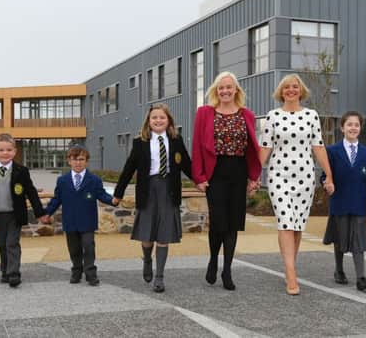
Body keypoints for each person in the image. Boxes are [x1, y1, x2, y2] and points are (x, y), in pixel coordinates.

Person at [259, 73, 334, 295]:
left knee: (297, 226)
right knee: (286, 223)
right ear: (280, 92)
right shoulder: (272, 117)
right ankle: (292, 275)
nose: (291, 90)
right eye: (286, 87)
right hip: (279, 175)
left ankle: (288, 266)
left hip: (305, 176)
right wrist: (253, 175)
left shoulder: (311, 115)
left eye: (294, 87)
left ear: (300, 91)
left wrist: (329, 175)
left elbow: (318, 147)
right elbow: (265, 147)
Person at [192, 71, 262, 291]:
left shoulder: (247, 115)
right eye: (221, 87)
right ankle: (213, 260)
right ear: (216, 90)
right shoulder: (204, 113)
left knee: (233, 224)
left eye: (229, 87)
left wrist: (253, 177)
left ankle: (227, 270)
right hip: (215, 172)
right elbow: (196, 146)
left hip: (238, 171)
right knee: (218, 222)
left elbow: (252, 147)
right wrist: (199, 177)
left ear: (236, 90)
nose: (225, 91)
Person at [114, 103, 193, 293]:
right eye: (154, 118)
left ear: (169, 121)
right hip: (148, 190)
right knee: (147, 235)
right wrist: (118, 192)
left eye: (162, 117)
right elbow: (129, 168)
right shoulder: (140, 142)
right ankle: (147, 259)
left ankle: (159, 276)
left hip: (168, 190)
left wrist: (201, 181)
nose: (158, 120)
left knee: (164, 235)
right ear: (149, 122)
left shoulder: (176, 140)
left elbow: (187, 165)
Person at [41, 145, 118, 286]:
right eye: (74, 159)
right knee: (74, 248)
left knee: (88, 246)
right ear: (69, 161)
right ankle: (76, 270)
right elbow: (57, 199)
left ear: (87, 161)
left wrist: (112, 200)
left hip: (87, 220)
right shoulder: (62, 181)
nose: (78, 162)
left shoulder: (94, 180)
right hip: (70, 220)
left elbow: (101, 194)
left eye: (81, 159)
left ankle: (90, 273)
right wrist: (47, 213)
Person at [0, 133, 45, 287]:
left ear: (14, 151)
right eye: (1, 150)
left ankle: (14, 273)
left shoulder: (21, 171)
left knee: (12, 243)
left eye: (8, 150)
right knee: (1, 243)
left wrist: (40, 212)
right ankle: (5, 270)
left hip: (15, 213)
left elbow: (31, 192)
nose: (5, 153)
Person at [322, 111, 366, 291]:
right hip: (340, 202)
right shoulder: (332, 151)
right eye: (350, 124)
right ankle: (339, 270)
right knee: (340, 239)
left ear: (360, 128)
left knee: (358, 241)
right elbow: (325, 175)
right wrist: (327, 184)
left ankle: (361, 277)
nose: (353, 128)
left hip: (359, 204)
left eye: (356, 125)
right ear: (342, 127)